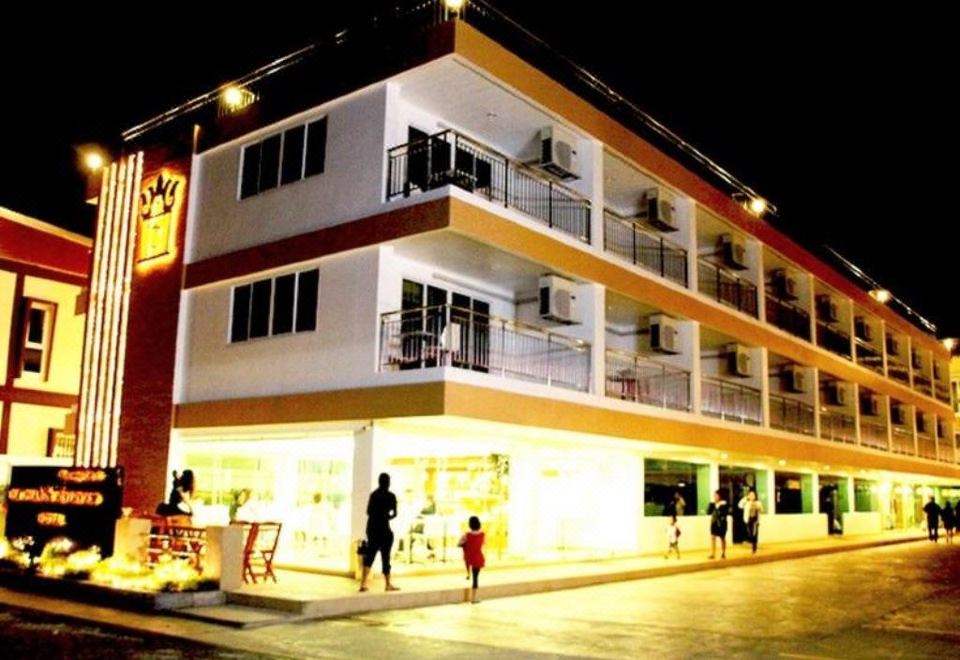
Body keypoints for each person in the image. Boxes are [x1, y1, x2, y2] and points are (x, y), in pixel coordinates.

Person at [359, 473, 400, 592]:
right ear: (388, 482)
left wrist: (378, 516)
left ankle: (363, 583)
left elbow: (368, 512)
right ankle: (387, 583)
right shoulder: (391, 496)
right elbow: (394, 514)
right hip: (384, 529)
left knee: (370, 556)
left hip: (373, 528)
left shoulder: (374, 495)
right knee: (385, 557)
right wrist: (386, 516)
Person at [459, 516, 485, 603]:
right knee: (476, 578)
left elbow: (459, 544)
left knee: (468, 564)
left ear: (470, 524)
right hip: (478, 557)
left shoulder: (466, 534)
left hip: (469, 556)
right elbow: (483, 544)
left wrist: (466, 545)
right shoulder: (482, 534)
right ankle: (474, 598)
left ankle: (467, 573)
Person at [738, 488, 763, 554]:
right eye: (750, 495)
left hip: (755, 520)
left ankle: (754, 548)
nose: (752, 496)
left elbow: (762, 510)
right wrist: (746, 498)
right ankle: (751, 542)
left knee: (755, 534)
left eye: (753, 495)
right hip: (748, 520)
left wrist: (757, 506)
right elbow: (739, 505)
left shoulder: (758, 503)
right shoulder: (747, 502)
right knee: (750, 533)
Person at [707, 489, 729, 559]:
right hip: (714, 523)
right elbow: (708, 512)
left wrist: (717, 508)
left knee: (722, 538)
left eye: (716, 495)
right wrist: (711, 504)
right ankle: (713, 553)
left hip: (722, 523)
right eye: (714, 496)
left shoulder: (725, 504)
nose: (715, 497)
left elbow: (724, 514)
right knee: (713, 537)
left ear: (720, 496)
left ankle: (723, 553)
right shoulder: (713, 504)